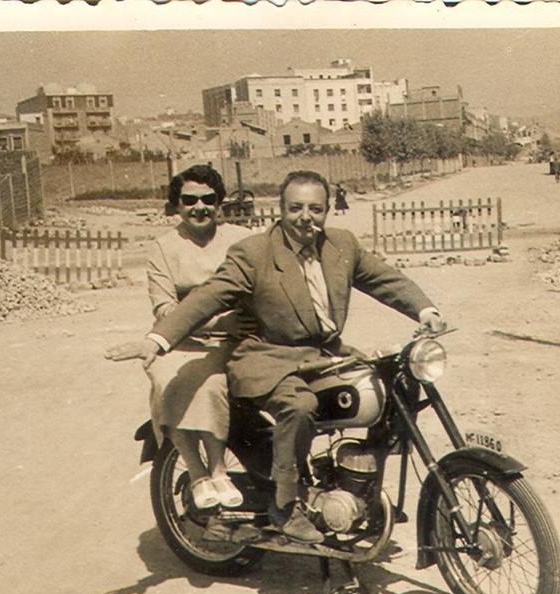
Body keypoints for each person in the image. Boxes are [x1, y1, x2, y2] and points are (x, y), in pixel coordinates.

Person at [106, 170, 446, 544]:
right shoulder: (254, 253)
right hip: (267, 356)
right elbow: (208, 297)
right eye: (295, 208)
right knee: (298, 407)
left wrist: (424, 310)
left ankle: (354, 491)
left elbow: (384, 278)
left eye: (315, 209)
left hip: (322, 354)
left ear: (328, 210)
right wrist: (158, 339)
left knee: (383, 391)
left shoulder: (342, 245)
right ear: (280, 211)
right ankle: (286, 506)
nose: (306, 217)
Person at [145, 164, 250, 513]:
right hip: (182, 341)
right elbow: (164, 308)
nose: (199, 207)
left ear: (219, 203)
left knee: (211, 383)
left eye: (208, 199)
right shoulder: (163, 247)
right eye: (189, 200)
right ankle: (198, 471)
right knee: (165, 379)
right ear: (176, 204)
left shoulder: (240, 239)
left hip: (233, 340)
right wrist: (211, 320)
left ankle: (218, 468)